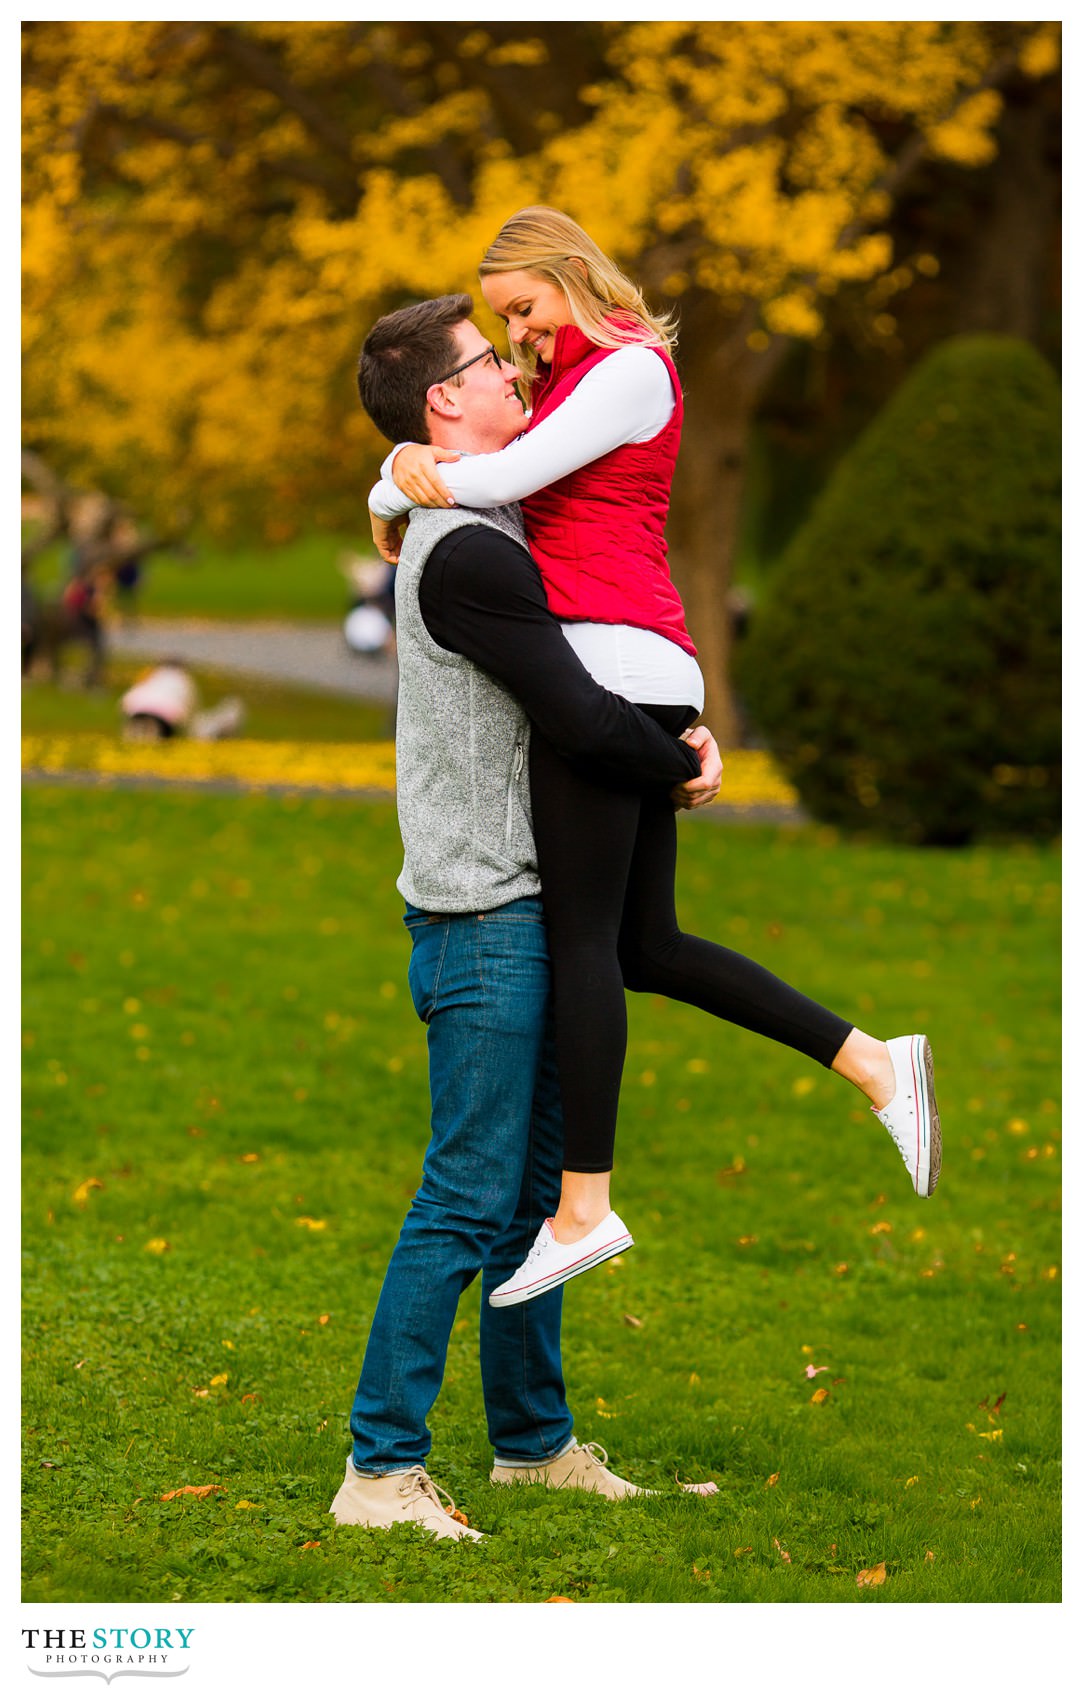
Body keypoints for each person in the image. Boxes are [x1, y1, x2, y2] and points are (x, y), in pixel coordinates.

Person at [368, 207, 942, 1309]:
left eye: (523, 310)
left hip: (617, 667)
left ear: (564, 274)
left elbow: (493, 478)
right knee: (645, 943)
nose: (522, 337)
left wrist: (402, 471)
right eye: (503, 327)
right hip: (635, 666)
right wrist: (399, 470)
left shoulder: (630, 371)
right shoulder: (587, 375)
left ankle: (585, 1205)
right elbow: (477, 470)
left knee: (583, 937)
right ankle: (872, 1059)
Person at [329, 294, 723, 1540]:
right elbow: (574, 709)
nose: (516, 373)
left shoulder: (472, 511)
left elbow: (416, 486)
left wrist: (394, 474)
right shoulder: (476, 555)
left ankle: (532, 1445)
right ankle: (379, 1471)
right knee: (465, 1194)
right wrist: (685, 758)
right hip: (486, 916)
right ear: (447, 399)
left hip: (528, 909)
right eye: (491, 361)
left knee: (531, 1201)